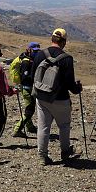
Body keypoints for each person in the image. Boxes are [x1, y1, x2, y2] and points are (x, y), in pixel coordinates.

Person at [31, 28, 82, 165]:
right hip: (60, 98)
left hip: (41, 96)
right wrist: (78, 89)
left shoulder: (40, 55)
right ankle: (65, 152)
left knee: (43, 126)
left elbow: (33, 76)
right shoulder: (67, 59)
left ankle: (42, 156)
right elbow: (70, 84)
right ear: (64, 42)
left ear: (52, 39)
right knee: (64, 126)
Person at [9, 42, 40, 137]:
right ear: (29, 50)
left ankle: (30, 127)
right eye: (35, 51)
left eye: (37, 51)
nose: (37, 53)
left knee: (29, 108)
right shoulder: (26, 62)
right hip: (27, 89)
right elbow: (25, 77)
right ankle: (17, 129)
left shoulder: (29, 59)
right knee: (30, 110)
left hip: (28, 88)